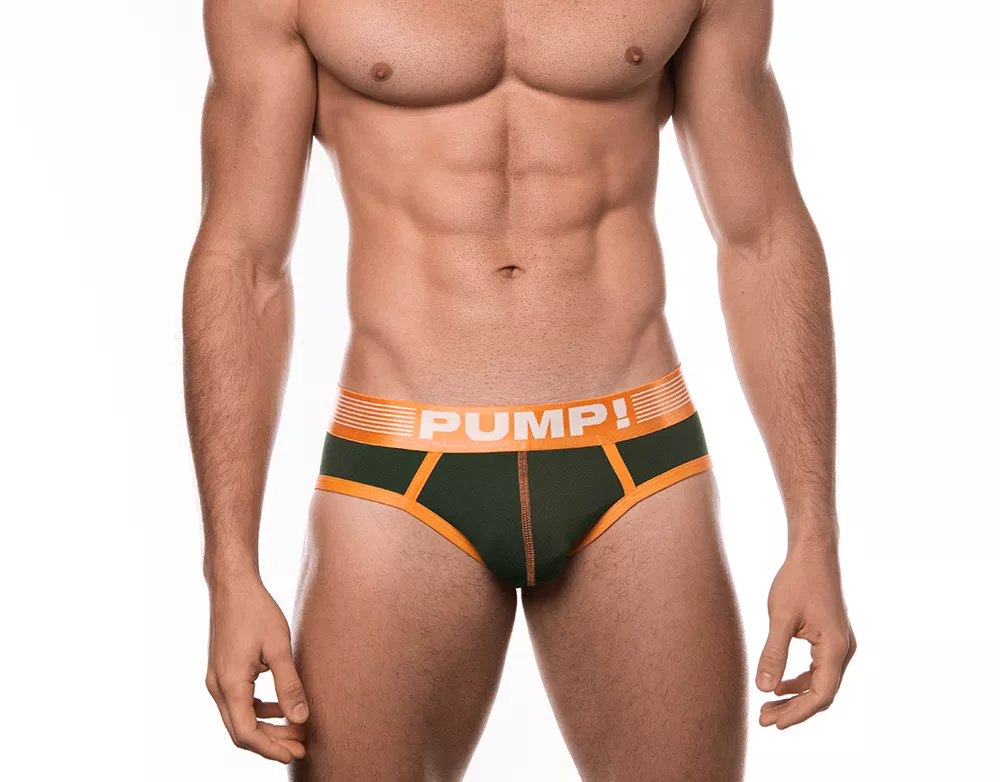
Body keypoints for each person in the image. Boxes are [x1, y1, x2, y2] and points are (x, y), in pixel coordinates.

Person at [183, 0, 857, 778]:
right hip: (397, 467)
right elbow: (243, 262)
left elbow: (763, 236)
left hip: (638, 459)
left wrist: (815, 534)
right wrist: (229, 569)